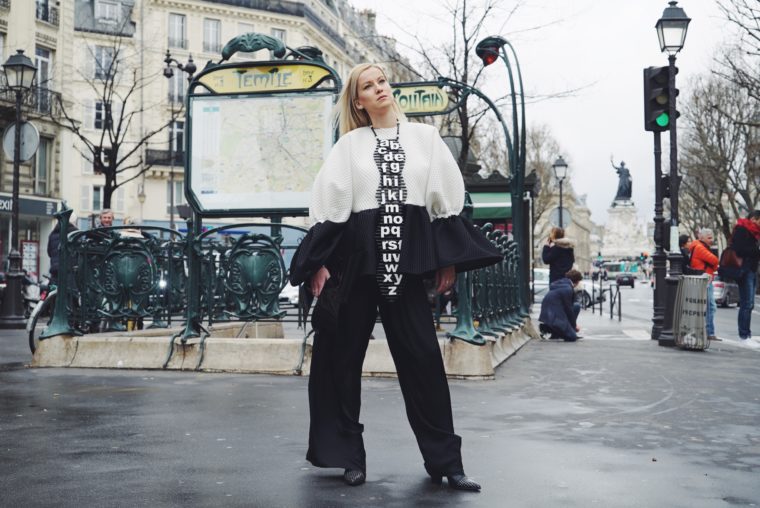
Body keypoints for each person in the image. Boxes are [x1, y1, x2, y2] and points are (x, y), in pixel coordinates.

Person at [288, 63, 502, 491]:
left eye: (381, 81)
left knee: (423, 361)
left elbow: (444, 198)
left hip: (407, 268)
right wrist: (321, 262)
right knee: (341, 361)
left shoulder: (425, 138)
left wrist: (447, 259)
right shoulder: (349, 146)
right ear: (358, 101)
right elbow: (332, 206)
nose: (379, 88)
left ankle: (447, 462)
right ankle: (350, 457)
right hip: (354, 269)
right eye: (368, 86)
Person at [730, 211, 760, 342]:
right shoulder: (742, 229)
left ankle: (746, 333)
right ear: (754, 219)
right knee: (746, 304)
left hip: (752, 269)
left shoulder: (754, 233)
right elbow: (738, 249)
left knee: (750, 304)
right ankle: (743, 335)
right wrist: (756, 251)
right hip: (744, 270)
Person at [688, 228, 719, 341]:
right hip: (705, 279)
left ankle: (707, 331)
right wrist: (714, 265)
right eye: (709, 238)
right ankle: (710, 332)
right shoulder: (700, 248)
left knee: (707, 306)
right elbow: (715, 261)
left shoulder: (698, 246)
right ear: (701, 238)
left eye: (712, 237)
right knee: (710, 307)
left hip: (704, 279)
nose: (712, 240)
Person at [538, 269, 583, 341]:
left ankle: (550, 328)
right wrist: (574, 326)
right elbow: (569, 310)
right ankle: (550, 329)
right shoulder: (568, 289)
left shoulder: (561, 284)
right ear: (577, 281)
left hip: (548, 314)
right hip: (554, 315)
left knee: (576, 306)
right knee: (572, 337)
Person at [47, 211, 78, 286]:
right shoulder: (75, 233)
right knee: (71, 295)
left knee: (55, 293)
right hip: (69, 271)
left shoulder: (53, 234)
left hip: (55, 271)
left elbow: (49, 252)